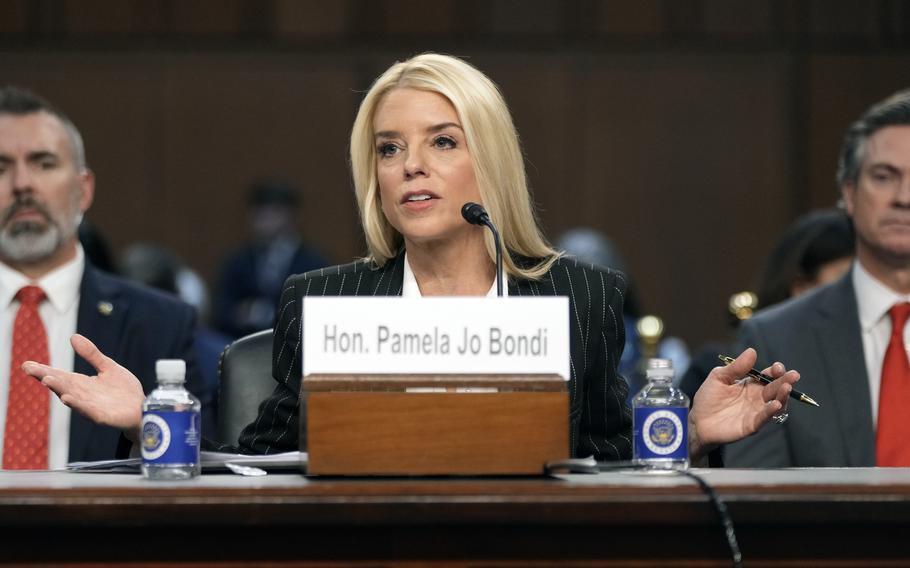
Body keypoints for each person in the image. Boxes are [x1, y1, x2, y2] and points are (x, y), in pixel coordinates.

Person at [21, 54, 799, 464]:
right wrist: (150, 419)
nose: (409, 166)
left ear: (488, 161)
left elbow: (603, 463)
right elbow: (257, 470)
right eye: (389, 148)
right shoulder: (321, 300)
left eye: (442, 142)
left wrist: (685, 436)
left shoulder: (579, 296)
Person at [0, 86, 209, 468]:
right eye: (1, 167)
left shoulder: (159, 324)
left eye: (44, 163)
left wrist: (145, 425)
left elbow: (214, 463)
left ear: (83, 190)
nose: (22, 185)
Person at [725, 89, 910, 467]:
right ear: (850, 193)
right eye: (884, 176)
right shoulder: (776, 338)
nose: (904, 197)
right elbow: (758, 502)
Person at [214, 180, 329, 338]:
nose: (266, 220)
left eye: (275, 212)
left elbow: (322, 313)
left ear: (294, 216)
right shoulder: (237, 262)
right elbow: (220, 311)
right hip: (245, 349)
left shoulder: (314, 263)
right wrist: (240, 315)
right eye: (260, 212)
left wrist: (270, 313)